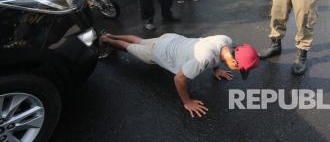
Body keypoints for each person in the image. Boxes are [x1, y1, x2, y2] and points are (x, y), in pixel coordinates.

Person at [99, 32, 259, 118]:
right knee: (129, 47)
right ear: (235, 63)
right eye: (241, 70)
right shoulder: (203, 59)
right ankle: (106, 40)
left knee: (140, 40)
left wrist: (216, 69)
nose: (239, 72)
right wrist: (187, 102)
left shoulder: (226, 40)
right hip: (160, 52)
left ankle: (111, 34)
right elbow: (179, 78)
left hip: (171, 38)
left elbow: (217, 53)